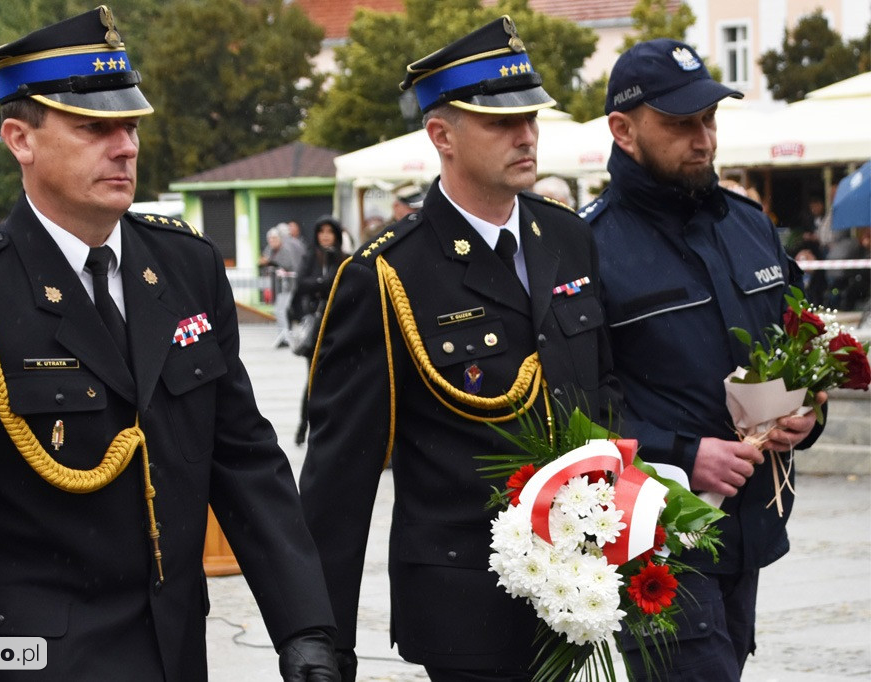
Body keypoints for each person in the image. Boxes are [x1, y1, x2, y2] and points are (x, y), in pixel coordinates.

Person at [0, 7, 339, 681]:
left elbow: (243, 457)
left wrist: (306, 627)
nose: (126, 146)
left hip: (176, 656)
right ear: (20, 140)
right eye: (94, 128)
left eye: (131, 125)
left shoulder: (186, 268)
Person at [299, 16, 619, 681]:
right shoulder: (389, 274)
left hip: (581, 587)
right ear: (442, 135)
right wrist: (321, 636)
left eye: (530, 117)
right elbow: (341, 476)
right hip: (464, 603)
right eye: (501, 122)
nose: (526, 135)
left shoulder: (567, 238)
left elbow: (602, 393)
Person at [579, 38, 827, 681]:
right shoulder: (586, 248)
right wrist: (683, 452)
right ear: (623, 130)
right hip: (658, 539)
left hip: (750, 530)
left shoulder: (750, 224)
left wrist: (807, 412)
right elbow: (571, 410)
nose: (704, 139)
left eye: (709, 119)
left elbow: (797, 352)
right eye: (680, 123)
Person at [290, 215, 347, 446]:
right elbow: (302, 285)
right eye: (321, 231)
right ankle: (304, 426)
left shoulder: (344, 258)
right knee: (313, 379)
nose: (325, 235)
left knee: (337, 379)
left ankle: (333, 426)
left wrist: (322, 284)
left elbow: (345, 286)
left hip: (337, 327)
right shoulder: (310, 257)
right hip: (315, 330)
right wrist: (325, 283)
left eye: (329, 231)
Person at [260, 225, 303, 347]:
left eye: (274, 238)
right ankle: (284, 335)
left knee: (281, 310)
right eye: (270, 239)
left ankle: (285, 336)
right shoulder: (271, 250)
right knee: (280, 310)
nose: (272, 241)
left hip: (287, 284)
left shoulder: (286, 249)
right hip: (278, 285)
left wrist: (273, 264)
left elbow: (290, 265)